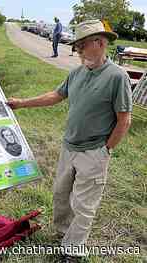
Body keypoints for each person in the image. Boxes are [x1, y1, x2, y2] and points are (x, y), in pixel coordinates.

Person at [7, 20, 132, 262]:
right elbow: (56, 95)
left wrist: (106, 150)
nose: (78, 51)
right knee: (61, 195)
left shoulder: (118, 76)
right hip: (69, 147)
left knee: (84, 205)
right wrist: (21, 103)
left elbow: (124, 119)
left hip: (94, 151)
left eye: (82, 45)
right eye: (76, 47)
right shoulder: (77, 72)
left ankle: (73, 250)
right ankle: (64, 234)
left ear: (100, 42)